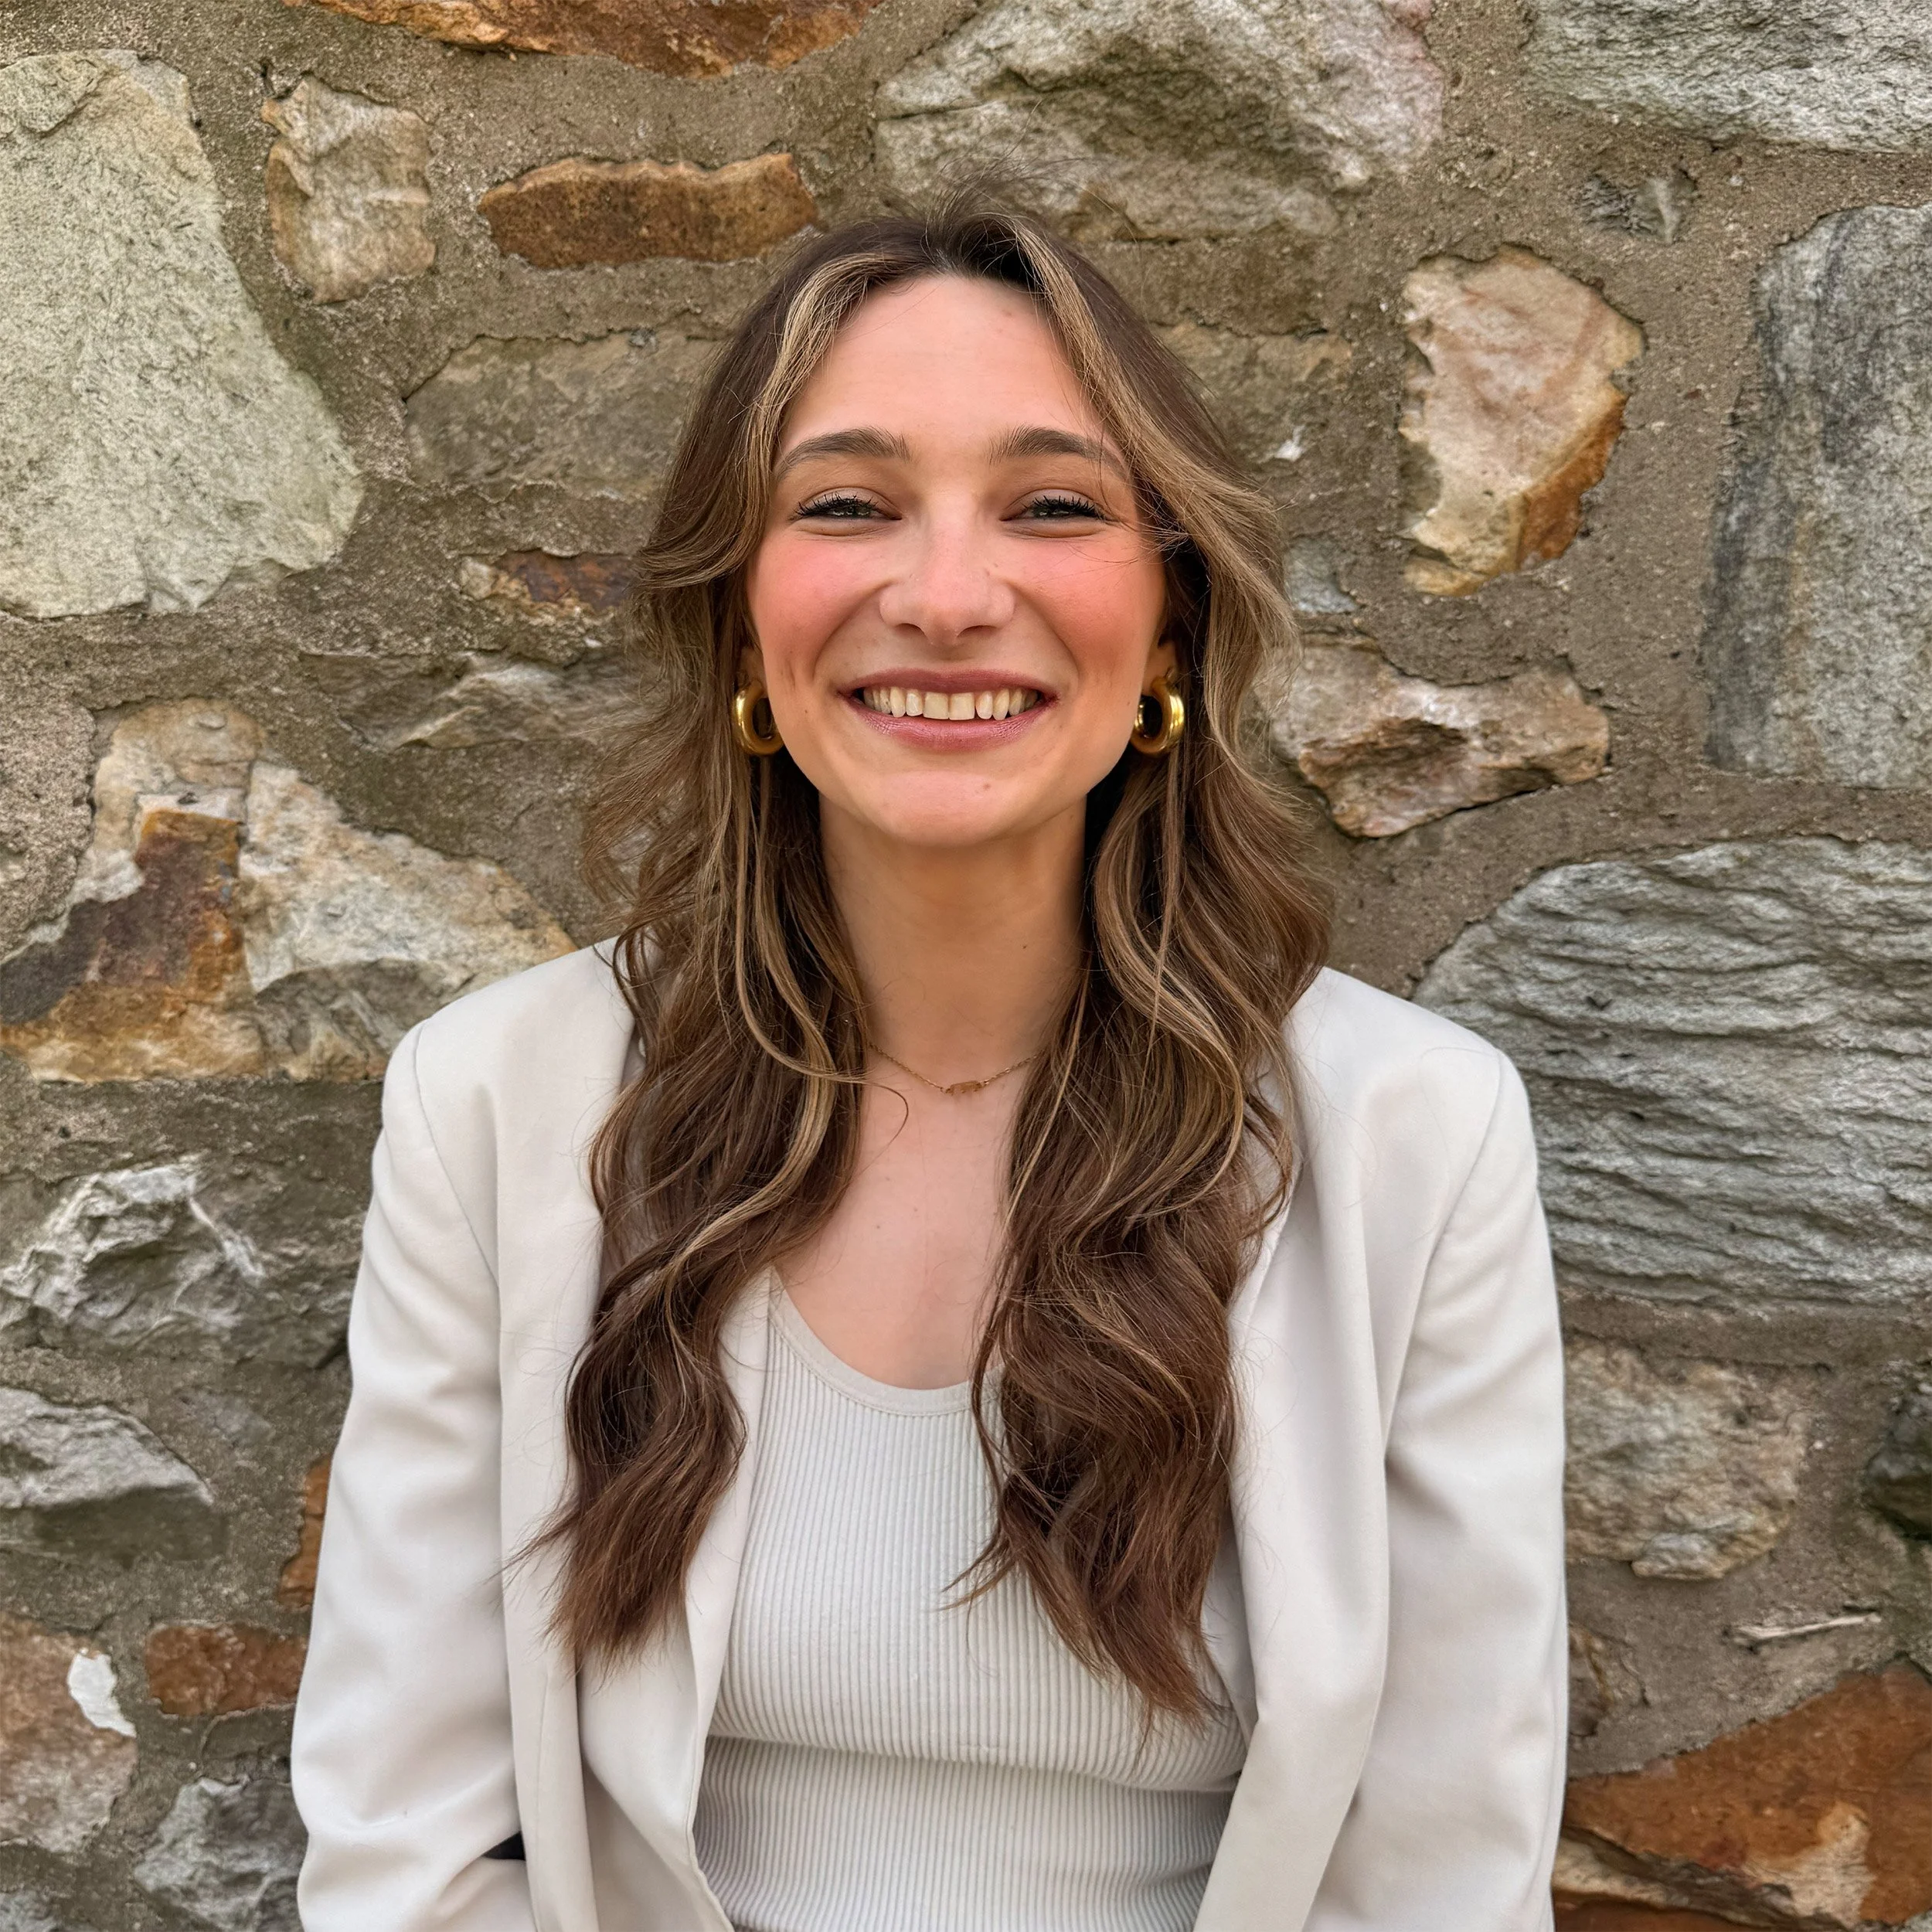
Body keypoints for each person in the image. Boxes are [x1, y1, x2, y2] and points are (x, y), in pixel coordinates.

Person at [290, 190, 1567, 1932]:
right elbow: (402, 1863)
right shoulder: (501, 1107)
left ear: (1170, 631)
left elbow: (1440, 1872)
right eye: (846, 505)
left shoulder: (1413, 1137)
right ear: (743, 625)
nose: (948, 594)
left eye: (1051, 506)